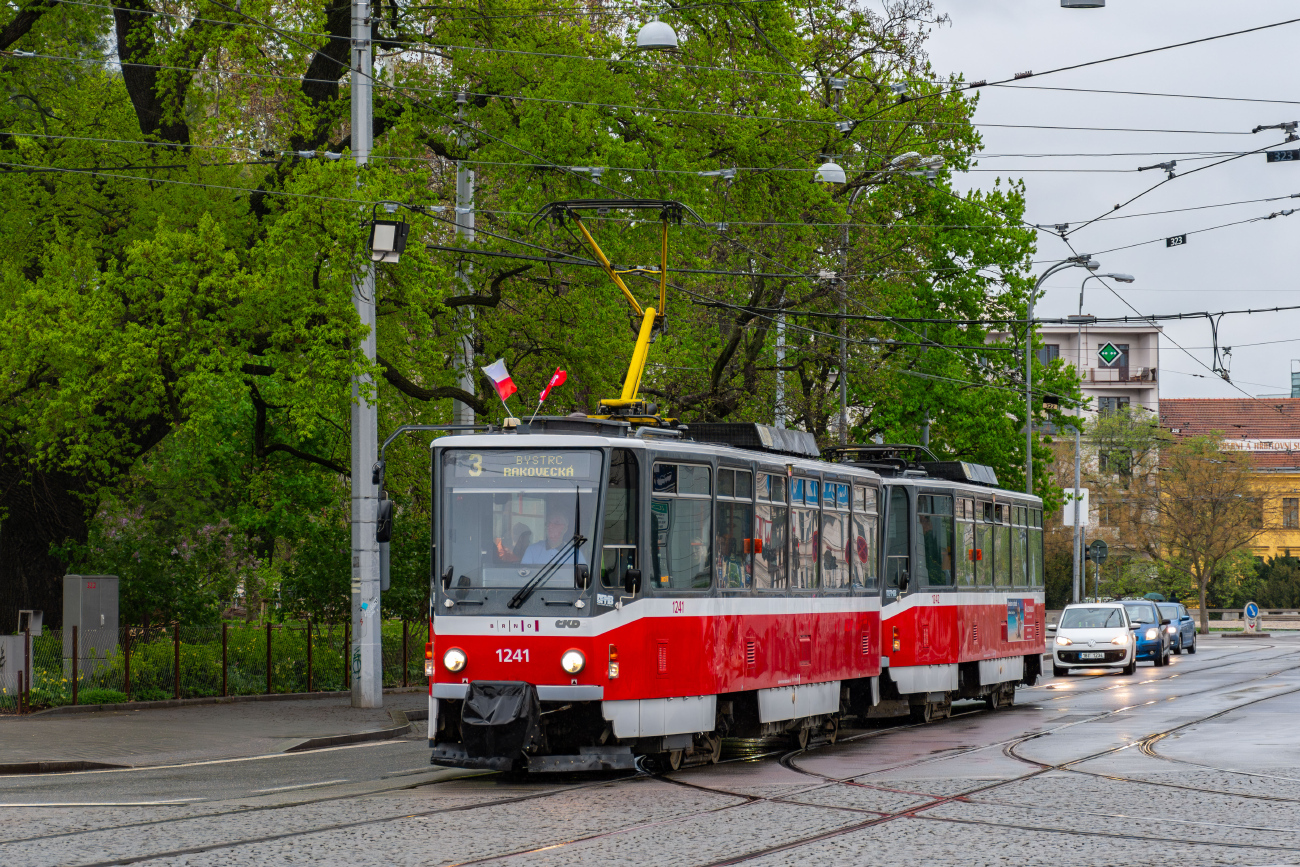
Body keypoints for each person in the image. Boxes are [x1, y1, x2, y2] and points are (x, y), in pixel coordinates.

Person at [522, 513, 586, 564]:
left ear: (565, 529)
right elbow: (524, 576)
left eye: (556, 523)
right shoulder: (532, 550)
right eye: (548, 523)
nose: (550, 526)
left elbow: (582, 578)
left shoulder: (575, 554)